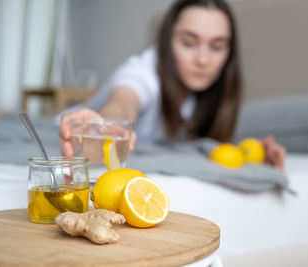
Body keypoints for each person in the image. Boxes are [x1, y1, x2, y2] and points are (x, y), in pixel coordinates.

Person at [58, 0, 286, 169]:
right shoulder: (142, 72)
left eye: (216, 47)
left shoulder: (206, 96)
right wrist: (104, 126)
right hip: (65, 133)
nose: (203, 60)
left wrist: (252, 158)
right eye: (189, 43)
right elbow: (124, 102)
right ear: (168, 42)